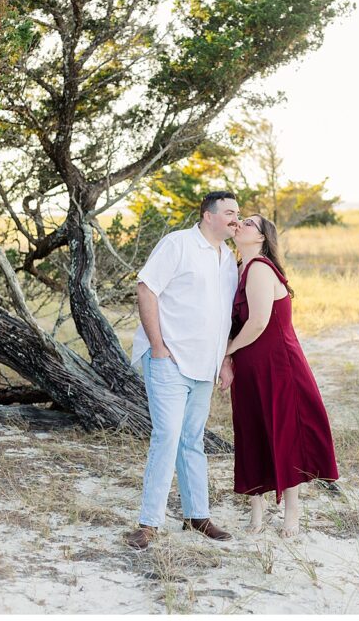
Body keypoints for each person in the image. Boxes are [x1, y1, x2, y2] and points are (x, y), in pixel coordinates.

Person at [126, 192, 240, 550]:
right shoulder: (178, 244)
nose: (236, 219)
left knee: (192, 439)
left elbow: (222, 316)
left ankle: (197, 516)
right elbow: (146, 290)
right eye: (229, 213)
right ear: (208, 215)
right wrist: (158, 347)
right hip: (169, 359)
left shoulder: (228, 260)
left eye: (238, 213)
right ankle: (148, 523)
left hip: (204, 364)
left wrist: (223, 360)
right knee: (167, 436)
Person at [219, 214, 339, 536]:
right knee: (252, 434)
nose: (240, 224)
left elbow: (258, 322)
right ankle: (256, 513)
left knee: (284, 434)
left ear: (260, 238)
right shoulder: (236, 268)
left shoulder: (259, 268)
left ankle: (292, 513)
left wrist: (226, 351)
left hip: (278, 366)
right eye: (239, 219)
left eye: (248, 223)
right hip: (250, 365)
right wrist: (230, 359)